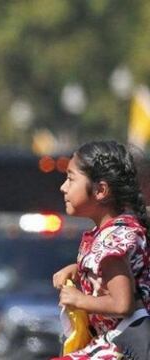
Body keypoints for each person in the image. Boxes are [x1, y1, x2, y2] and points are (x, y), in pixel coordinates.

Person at [52, 140, 150, 359]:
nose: (63, 187)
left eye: (70, 178)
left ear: (101, 190)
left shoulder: (112, 240)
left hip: (123, 345)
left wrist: (78, 299)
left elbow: (122, 303)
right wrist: (78, 268)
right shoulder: (111, 232)